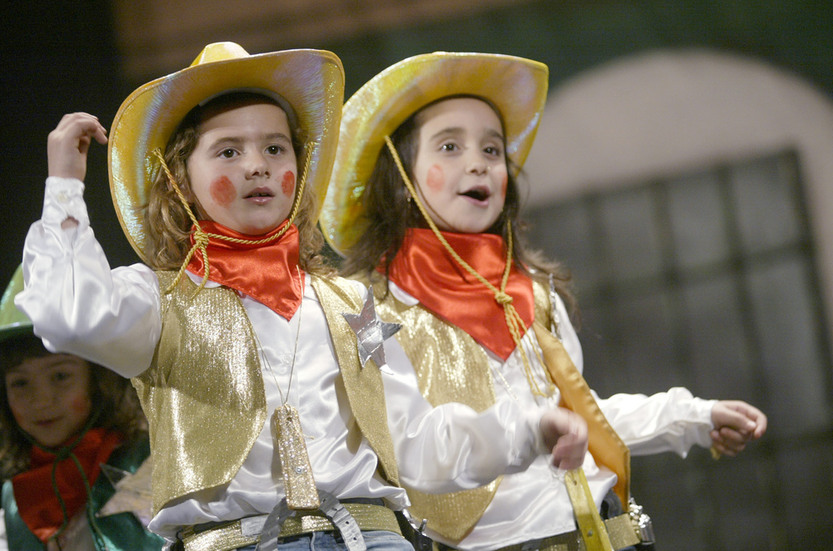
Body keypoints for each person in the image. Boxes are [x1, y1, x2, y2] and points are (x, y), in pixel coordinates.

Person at [15, 43, 590, 550]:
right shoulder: (158, 302)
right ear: (179, 178)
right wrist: (64, 183)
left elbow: (414, 441)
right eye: (228, 152)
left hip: (369, 539)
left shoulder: (350, 303)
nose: (258, 166)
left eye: (275, 148)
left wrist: (525, 429)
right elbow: (67, 317)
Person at [320, 52, 769, 551]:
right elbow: (411, 447)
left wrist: (693, 418)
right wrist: (529, 431)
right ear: (401, 181)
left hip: (605, 533)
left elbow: (579, 418)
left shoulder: (530, 291)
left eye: (492, 150)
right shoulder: (363, 308)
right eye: (449, 146)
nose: (478, 162)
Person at [0, 265, 163, 550]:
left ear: (99, 381)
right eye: (20, 384)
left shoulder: (147, 464)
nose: (41, 401)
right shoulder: (12, 500)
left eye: (60, 376)